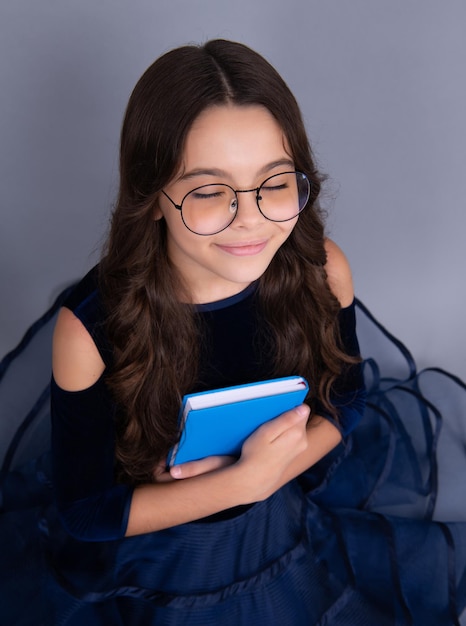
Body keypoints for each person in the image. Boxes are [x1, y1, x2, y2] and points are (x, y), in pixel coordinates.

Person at [1, 39, 465, 625]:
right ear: (152, 201)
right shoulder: (90, 333)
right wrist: (240, 483)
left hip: (277, 523)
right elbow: (88, 513)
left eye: (273, 183)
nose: (249, 217)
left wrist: (268, 476)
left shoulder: (323, 270)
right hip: (151, 557)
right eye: (208, 191)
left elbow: (346, 400)